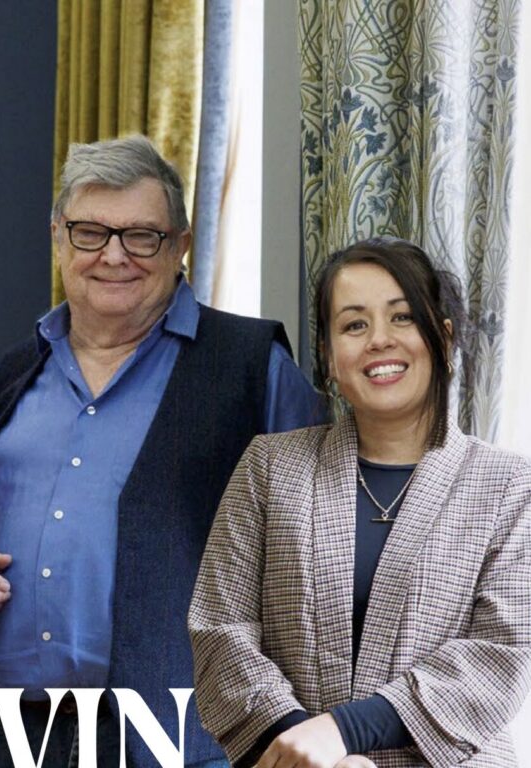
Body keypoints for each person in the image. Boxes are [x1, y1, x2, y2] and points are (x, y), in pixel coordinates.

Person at [0, 135, 320, 767]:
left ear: (180, 245)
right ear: (58, 237)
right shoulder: (12, 378)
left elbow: (328, 554)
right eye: (90, 233)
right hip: (11, 739)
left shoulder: (254, 371)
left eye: (141, 236)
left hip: (184, 744)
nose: (114, 256)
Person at [189, 238, 531, 768]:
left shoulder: (510, 485)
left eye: (402, 317)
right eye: (354, 325)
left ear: (443, 338)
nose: (379, 340)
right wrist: (307, 748)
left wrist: (341, 733)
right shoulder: (269, 467)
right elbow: (219, 631)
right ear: (328, 357)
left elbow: (502, 655)